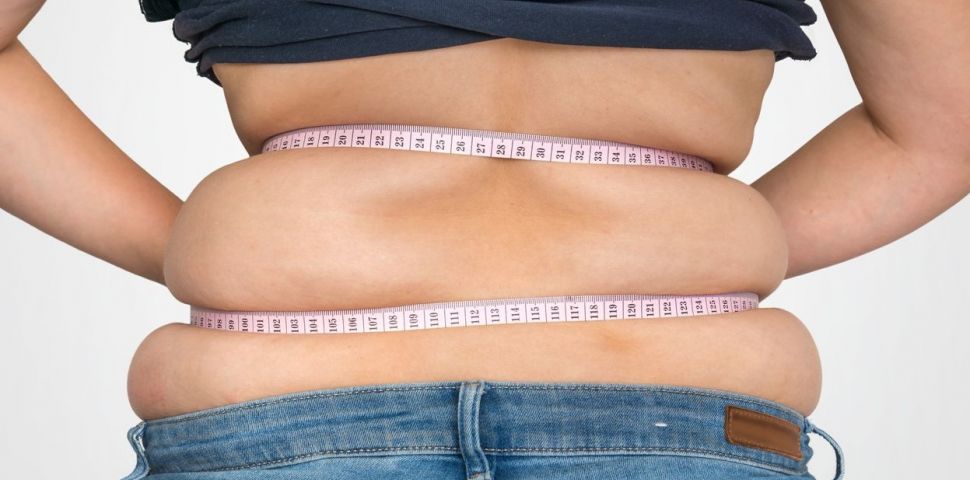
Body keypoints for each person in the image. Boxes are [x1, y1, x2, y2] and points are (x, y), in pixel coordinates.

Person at [1, 1, 966, 479]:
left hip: (277, 409)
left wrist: (244, 255)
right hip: (677, 414)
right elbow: (943, 122)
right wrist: (681, 250)